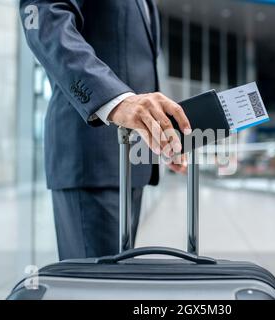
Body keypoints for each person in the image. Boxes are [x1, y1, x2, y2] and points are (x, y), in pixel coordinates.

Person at [19, 0, 191, 260]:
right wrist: (115, 100)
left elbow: (134, 64)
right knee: (96, 287)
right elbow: (45, 18)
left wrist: (158, 133)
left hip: (128, 163)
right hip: (91, 159)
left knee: (116, 284)